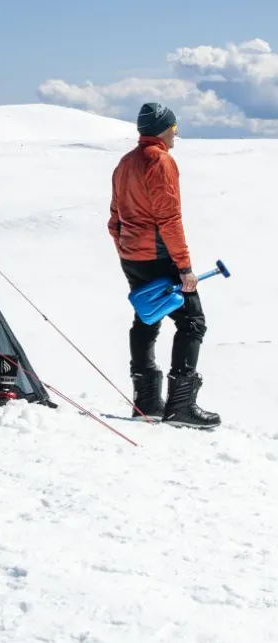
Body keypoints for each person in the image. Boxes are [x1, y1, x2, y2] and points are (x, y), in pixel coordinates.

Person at [107, 102, 220, 427]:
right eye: (174, 128)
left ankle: (147, 403)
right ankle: (180, 406)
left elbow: (114, 218)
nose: (176, 134)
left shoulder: (125, 162)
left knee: (147, 316)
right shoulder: (160, 161)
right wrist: (184, 268)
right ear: (162, 130)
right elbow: (169, 218)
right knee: (192, 321)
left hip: (133, 256)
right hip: (159, 255)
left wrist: (126, 249)